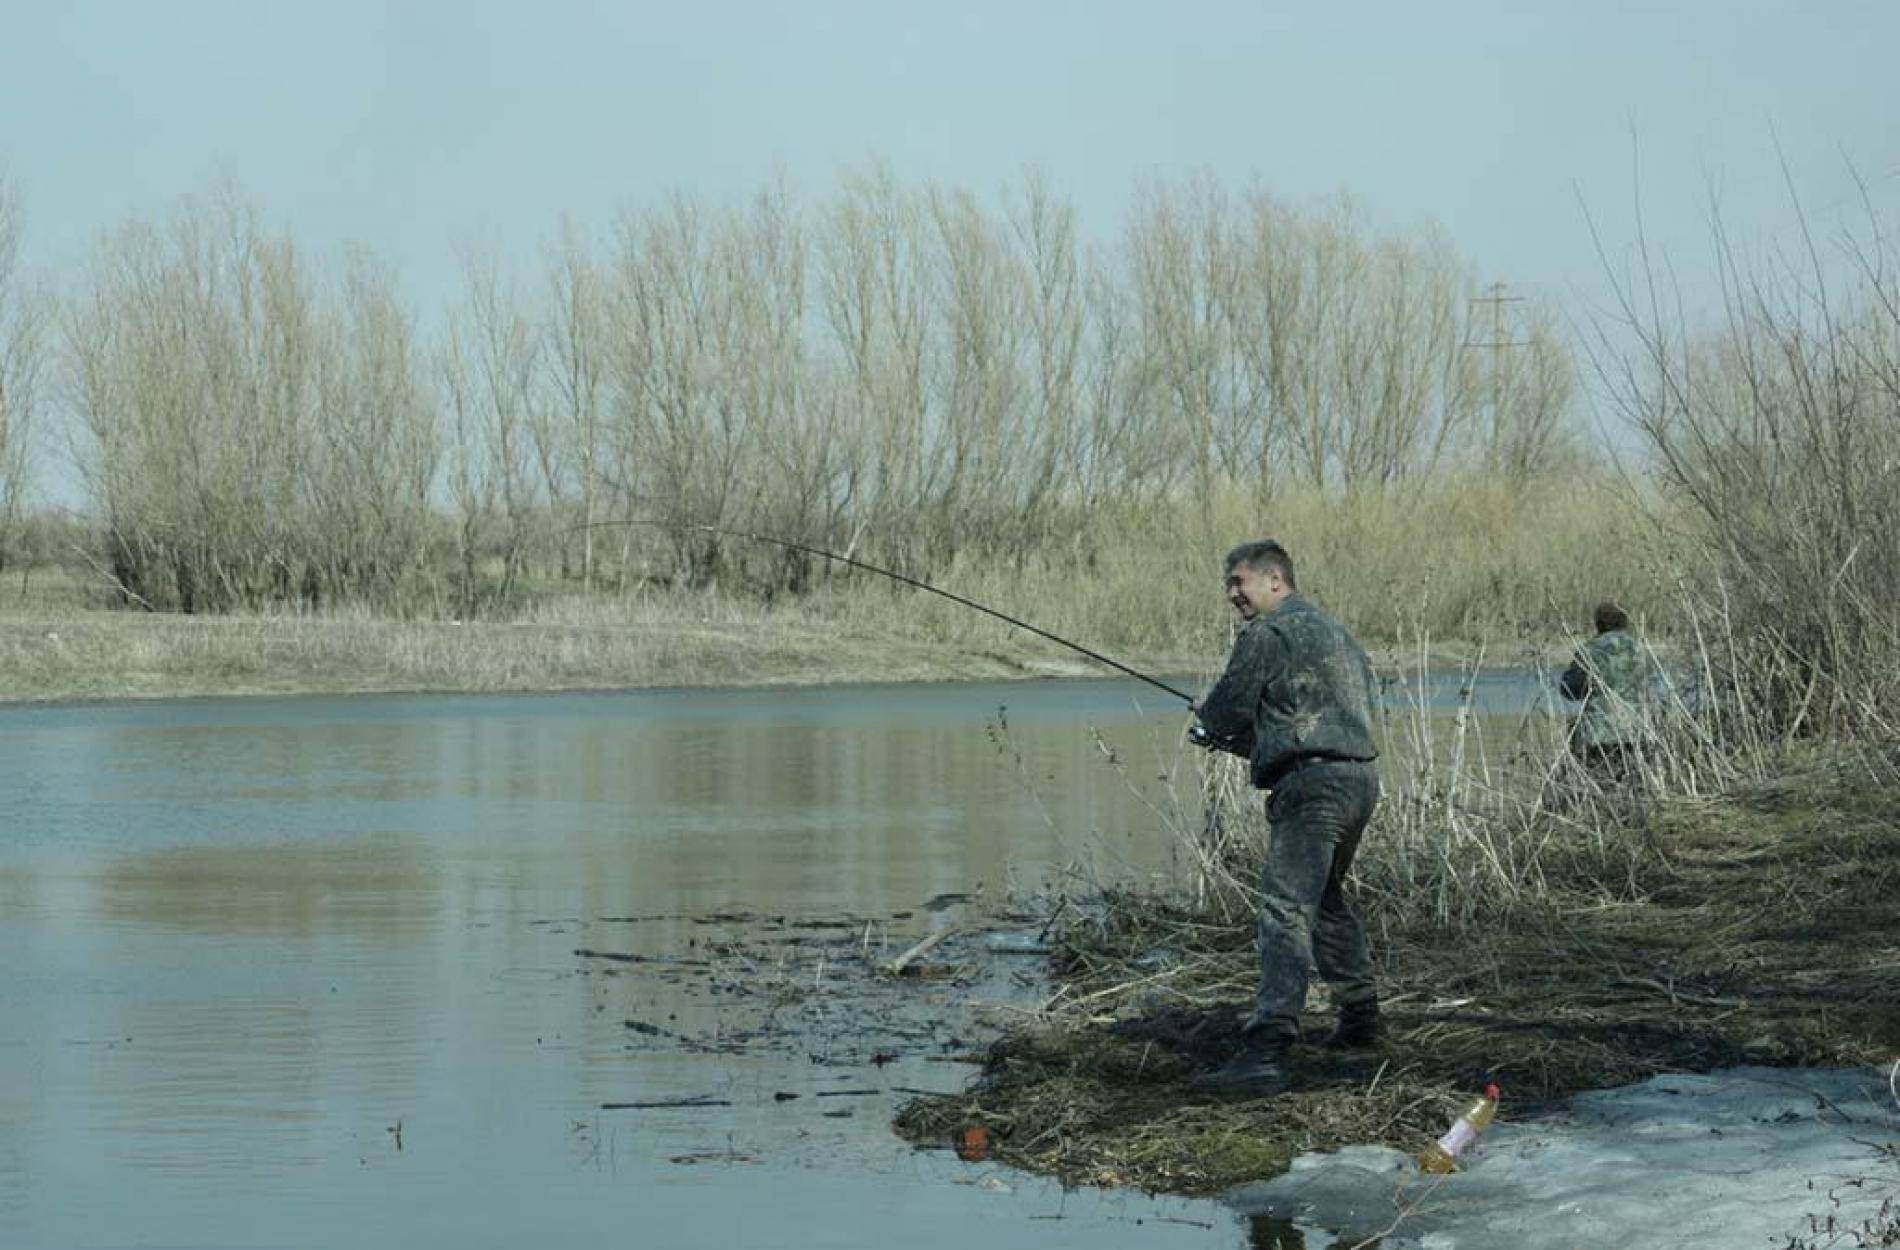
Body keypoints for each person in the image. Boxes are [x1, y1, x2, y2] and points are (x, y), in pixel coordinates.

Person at [1189, 540, 1383, 1091]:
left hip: (1313, 787)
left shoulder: (1268, 634)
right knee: (1323, 900)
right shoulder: (1335, 634)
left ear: (1275, 580)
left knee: (1284, 910)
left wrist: (1208, 726)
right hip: (1358, 780)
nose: (1232, 595)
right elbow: (1312, 718)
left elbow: (1228, 705)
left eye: (1239, 582)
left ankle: (1267, 1048)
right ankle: (1361, 1019)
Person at [1557, 602, 1652, 786]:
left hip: (1597, 733)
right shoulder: (1640, 651)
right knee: (1633, 785)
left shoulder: (1590, 650)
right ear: (1624, 623)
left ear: (1598, 624)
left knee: (1599, 783)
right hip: (1637, 730)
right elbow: (1648, 684)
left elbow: (1569, 690)